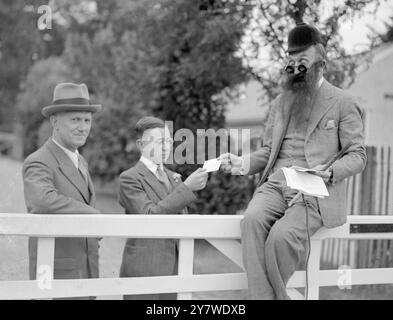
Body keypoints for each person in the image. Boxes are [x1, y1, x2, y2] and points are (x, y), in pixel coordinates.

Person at [220, 23, 367, 300]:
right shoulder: (279, 103)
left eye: (303, 62)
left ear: (321, 64)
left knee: (280, 237)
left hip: (315, 189)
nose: (296, 68)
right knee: (250, 221)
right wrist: (240, 163)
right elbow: (268, 151)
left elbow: (358, 155)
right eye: (292, 62)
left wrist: (331, 171)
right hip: (276, 183)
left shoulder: (345, 102)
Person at [22, 82, 102, 299]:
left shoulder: (81, 161)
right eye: (75, 119)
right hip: (56, 273)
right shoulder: (38, 161)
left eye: (87, 120)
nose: (83, 127)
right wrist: (94, 216)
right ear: (54, 122)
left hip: (87, 271)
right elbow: (42, 200)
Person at [118, 116, 208, 300]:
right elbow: (149, 215)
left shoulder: (174, 176)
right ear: (141, 145)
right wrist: (187, 188)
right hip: (144, 268)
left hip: (176, 267)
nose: (166, 146)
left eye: (168, 140)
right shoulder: (129, 178)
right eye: (159, 141)